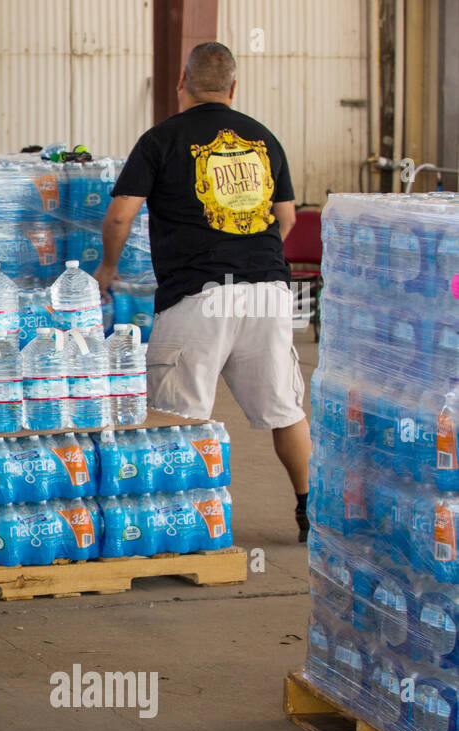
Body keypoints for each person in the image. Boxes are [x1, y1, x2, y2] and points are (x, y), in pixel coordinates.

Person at [95, 41, 312, 542]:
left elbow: (121, 214)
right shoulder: (262, 139)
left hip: (198, 296)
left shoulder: (161, 139)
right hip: (268, 293)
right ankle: (309, 514)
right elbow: (287, 218)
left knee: (177, 415)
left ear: (181, 84)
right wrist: (256, 259)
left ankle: (178, 522)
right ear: (233, 87)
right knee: (284, 409)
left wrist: (107, 269)